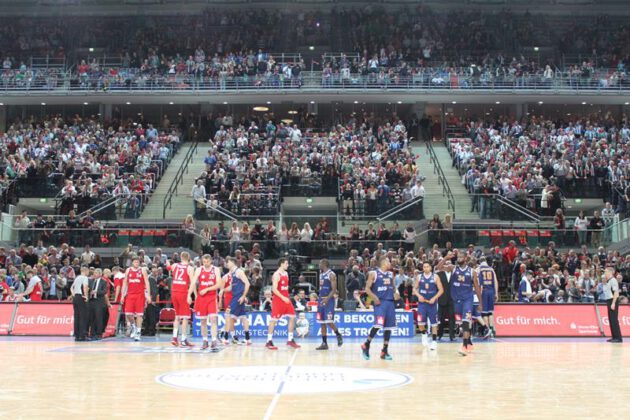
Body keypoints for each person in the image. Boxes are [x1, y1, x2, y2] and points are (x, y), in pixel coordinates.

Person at [438, 252, 481, 356]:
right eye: (458, 257)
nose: (459, 258)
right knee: (463, 323)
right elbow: (438, 268)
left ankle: (464, 346)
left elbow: (477, 287)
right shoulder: (453, 268)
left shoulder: (472, 272)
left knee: (465, 323)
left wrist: (480, 302)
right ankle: (469, 341)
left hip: (468, 299)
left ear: (465, 259)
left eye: (461, 257)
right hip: (456, 301)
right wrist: (446, 258)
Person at [361, 256, 400, 361]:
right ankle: (366, 344)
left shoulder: (391, 274)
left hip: (390, 303)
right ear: (383, 263)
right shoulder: (374, 273)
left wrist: (396, 293)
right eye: (388, 261)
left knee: (389, 328)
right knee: (378, 324)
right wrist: (374, 298)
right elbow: (367, 289)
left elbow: (394, 288)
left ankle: (384, 350)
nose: (390, 263)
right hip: (380, 302)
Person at [189, 254, 223, 350]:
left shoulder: (215, 270)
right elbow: (193, 283)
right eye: (204, 262)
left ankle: (214, 340)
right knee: (203, 321)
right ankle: (205, 341)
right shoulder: (199, 269)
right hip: (201, 298)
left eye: (207, 262)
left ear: (211, 261)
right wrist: (188, 295)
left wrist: (207, 289)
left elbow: (219, 284)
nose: (206, 263)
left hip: (212, 297)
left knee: (213, 319)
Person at [266, 258, 300, 350]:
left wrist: (286, 296)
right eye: (286, 263)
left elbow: (284, 287)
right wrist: (283, 297)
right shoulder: (277, 274)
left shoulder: (286, 273)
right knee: (273, 320)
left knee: (293, 317)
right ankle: (268, 341)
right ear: (281, 264)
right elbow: (274, 289)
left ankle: (290, 339)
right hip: (279, 299)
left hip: (286, 299)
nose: (287, 265)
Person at [166, 252, 195, 347]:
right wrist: (192, 295)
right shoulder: (190, 268)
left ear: (181, 257)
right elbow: (192, 283)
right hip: (183, 293)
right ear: (189, 258)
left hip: (174, 292)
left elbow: (168, 267)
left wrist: (167, 262)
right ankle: (183, 339)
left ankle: (174, 337)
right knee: (185, 317)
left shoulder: (174, 265)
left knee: (177, 316)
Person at [413, 262, 444, 351]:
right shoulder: (419, 277)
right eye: (424, 267)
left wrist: (434, 298)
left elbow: (441, 290)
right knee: (420, 323)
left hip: (432, 304)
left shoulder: (435, 277)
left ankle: (434, 341)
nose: (425, 268)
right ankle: (424, 333)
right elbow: (414, 289)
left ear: (430, 268)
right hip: (422, 303)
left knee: (434, 323)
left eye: (427, 266)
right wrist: (419, 296)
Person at [315, 259, 343, 350]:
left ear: (324, 264)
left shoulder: (331, 274)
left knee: (329, 321)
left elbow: (334, 289)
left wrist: (327, 298)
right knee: (321, 322)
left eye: (320, 263)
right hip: (321, 300)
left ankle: (338, 334)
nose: (319, 265)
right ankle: (324, 343)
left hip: (329, 300)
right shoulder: (321, 274)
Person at [121, 257, 151, 341]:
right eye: (135, 262)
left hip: (140, 295)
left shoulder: (142, 270)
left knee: (139, 315)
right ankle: (133, 326)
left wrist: (148, 295)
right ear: (132, 263)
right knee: (128, 314)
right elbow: (124, 283)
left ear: (139, 263)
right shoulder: (128, 270)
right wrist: (122, 295)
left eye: (137, 262)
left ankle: (138, 332)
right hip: (130, 294)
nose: (136, 263)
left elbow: (147, 283)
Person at [224, 256, 252, 345]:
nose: (226, 264)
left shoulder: (239, 272)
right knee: (243, 317)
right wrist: (221, 289)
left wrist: (243, 296)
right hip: (237, 296)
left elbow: (247, 284)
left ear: (232, 262)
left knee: (228, 315)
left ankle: (225, 338)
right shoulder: (232, 273)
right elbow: (231, 287)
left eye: (227, 262)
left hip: (238, 297)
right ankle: (247, 339)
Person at [478, 257, 499, 338]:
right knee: (490, 312)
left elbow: (480, 284)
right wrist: (496, 293)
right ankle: (493, 329)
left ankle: (487, 331)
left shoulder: (479, 269)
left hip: (484, 292)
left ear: (480, 262)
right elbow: (495, 282)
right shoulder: (491, 269)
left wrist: (479, 295)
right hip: (491, 291)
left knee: (484, 313)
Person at [436, 259, 455, 341]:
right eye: (446, 264)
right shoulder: (439, 274)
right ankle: (439, 334)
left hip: (452, 299)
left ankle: (452, 335)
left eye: (449, 264)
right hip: (442, 299)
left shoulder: (455, 274)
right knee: (441, 318)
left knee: (452, 318)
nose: (448, 266)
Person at [602, 267, 622, 343]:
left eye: (606, 272)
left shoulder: (613, 280)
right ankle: (614, 337)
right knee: (611, 319)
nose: (605, 273)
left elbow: (616, 293)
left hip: (613, 300)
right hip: (609, 300)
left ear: (610, 272)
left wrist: (613, 303)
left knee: (614, 320)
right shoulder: (608, 281)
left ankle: (618, 338)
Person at [88, 268, 108, 340]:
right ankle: (92, 333)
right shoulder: (91, 281)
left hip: (99, 301)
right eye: (94, 273)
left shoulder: (103, 282)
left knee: (99, 318)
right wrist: (89, 292)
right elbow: (88, 289)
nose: (94, 274)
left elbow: (104, 291)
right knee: (92, 318)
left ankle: (99, 334)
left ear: (100, 274)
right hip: (91, 301)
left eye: (96, 273)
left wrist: (96, 291)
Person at [71, 267, 90, 342]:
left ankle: (77, 335)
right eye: (88, 271)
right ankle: (82, 335)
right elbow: (85, 287)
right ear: (85, 271)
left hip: (76, 297)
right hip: (81, 297)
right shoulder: (85, 278)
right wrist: (86, 296)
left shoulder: (77, 278)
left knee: (77, 316)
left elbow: (71, 288)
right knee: (83, 316)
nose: (88, 273)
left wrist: (74, 295)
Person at [218, 271, 233, 342]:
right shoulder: (225, 277)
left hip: (235, 298)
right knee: (229, 318)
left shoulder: (238, 275)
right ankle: (227, 336)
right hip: (228, 298)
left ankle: (222, 330)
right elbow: (221, 291)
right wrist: (220, 301)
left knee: (233, 319)